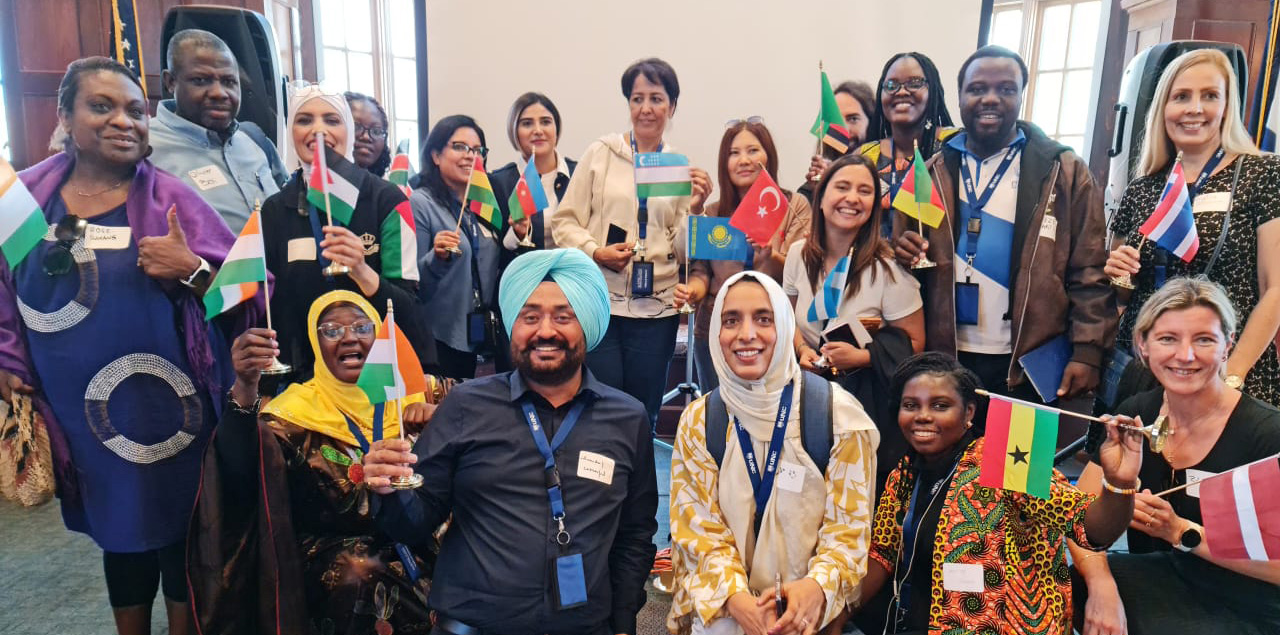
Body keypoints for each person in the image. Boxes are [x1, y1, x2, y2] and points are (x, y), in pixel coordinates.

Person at [0, 56, 257, 635]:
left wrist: (191, 269)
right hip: (78, 412)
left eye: (136, 111)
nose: (125, 121)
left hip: (172, 408)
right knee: (120, 532)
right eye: (102, 106)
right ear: (65, 115)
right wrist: (8, 360)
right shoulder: (28, 201)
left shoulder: (172, 200)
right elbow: (3, 286)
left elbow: (245, 295)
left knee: (180, 531)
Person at [364, 248, 658, 635]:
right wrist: (389, 487)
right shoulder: (466, 404)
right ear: (511, 326)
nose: (546, 331)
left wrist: (623, 624)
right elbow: (413, 522)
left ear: (587, 324)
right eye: (529, 316)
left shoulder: (627, 418)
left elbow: (634, 535)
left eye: (564, 316)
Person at [189, 290, 450, 634]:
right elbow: (238, 473)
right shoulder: (292, 415)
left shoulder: (418, 392)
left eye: (361, 327)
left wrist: (443, 419)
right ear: (315, 341)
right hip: (339, 547)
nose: (348, 338)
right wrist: (246, 386)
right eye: (331, 331)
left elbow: (485, 418)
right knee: (362, 576)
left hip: (421, 532)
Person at [849, 352, 1141, 635]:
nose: (923, 416)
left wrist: (1120, 484)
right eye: (911, 405)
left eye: (940, 405)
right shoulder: (904, 474)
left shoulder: (1007, 457)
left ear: (969, 412)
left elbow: (1090, 528)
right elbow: (883, 553)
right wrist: (836, 615)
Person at [895, 45, 1115, 406]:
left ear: (1021, 95)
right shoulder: (930, 172)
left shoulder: (1063, 171)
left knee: (1015, 462)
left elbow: (1089, 268)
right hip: (946, 360)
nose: (990, 99)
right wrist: (900, 252)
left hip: (1029, 364)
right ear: (960, 95)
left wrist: (1087, 352)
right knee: (952, 463)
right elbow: (899, 256)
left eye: (1006, 89)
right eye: (978, 89)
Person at [667, 271, 879, 635]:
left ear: (784, 326)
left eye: (763, 319)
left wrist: (813, 591)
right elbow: (697, 528)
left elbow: (848, 531)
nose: (746, 334)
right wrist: (740, 603)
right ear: (716, 333)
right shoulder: (700, 420)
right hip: (726, 605)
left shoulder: (838, 417)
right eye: (731, 320)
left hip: (807, 609)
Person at [1069, 277, 1280, 635]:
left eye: (1204, 340)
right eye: (1168, 339)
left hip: (1250, 602)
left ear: (1227, 346)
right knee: (1072, 585)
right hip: (1162, 577)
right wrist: (1102, 587)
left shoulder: (1266, 433)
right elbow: (1078, 515)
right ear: (1143, 345)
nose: (1185, 355)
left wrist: (1181, 531)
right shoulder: (1137, 412)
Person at [1103, 48, 1280, 405]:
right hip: (1145, 370)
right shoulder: (1142, 188)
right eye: (1181, 96)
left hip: (1228, 368)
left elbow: (1275, 289)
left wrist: (1231, 375)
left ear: (1227, 106)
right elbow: (1122, 296)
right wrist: (1117, 277)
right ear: (1163, 109)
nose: (1194, 109)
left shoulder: (1263, 174)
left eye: (1210, 96)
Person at [552, 57, 711, 426]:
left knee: (642, 411)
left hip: (655, 308)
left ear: (672, 106)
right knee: (598, 405)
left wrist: (696, 208)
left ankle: (637, 483)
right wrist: (596, 251)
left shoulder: (675, 165)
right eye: (637, 98)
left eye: (656, 98)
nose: (646, 108)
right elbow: (565, 222)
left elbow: (685, 251)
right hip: (601, 300)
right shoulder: (601, 154)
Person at [260, 84, 431, 386]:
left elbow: (409, 310)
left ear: (348, 130)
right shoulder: (274, 210)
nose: (318, 130)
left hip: (377, 380)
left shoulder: (389, 201)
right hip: (303, 385)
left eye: (331, 119)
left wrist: (363, 272)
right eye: (304, 120)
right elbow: (272, 310)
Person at [784, 153, 923, 492]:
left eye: (864, 191)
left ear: (874, 205)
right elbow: (787, 319)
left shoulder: (888, 268)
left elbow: (917, 344)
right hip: (808, 391)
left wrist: (861, 358)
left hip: (864, 402)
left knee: (853, 492)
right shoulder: (798, 254)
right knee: (802, 487)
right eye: (842, 187)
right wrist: (801, 348)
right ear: (821, 198)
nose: (851, 198)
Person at [674, 119, 811, 392]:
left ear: (768, 157)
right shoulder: (713, 212)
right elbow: (702, 273)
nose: (744, 160)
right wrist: (691, 292)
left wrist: (769, 256)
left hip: (770, 326)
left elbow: (803, 273)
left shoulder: (793, 205)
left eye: (753, 151)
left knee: (770, 412)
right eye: (734, 153)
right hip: (716, 325)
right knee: (719, 413)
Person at [148, 29, 284, 234]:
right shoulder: (144, 149)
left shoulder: (255, 140)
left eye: (229, 82)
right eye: (201, 80)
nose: (219, 93)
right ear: (170, 82)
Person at [410, 114, 504, 379]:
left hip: (481, 333)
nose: (469, 156)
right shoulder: (421, 203)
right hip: (440, 335)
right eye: (459, 147)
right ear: (436, 155)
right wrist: (436, 258)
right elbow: (412, 283)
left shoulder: (483, 205)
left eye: (477, 150)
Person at [490, 92, 578, 254]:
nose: (538, 130)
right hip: (524, 275)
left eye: (545, 122)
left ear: (556, 129)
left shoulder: (579, 174)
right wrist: (518, 233)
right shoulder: (498, 182)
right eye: (527, 124)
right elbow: (494, 251)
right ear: (514, 131)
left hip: (575, 275)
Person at [797, 80, 876, 202]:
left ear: (871, 122)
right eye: (836, 122)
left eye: (853, 119)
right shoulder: (809, 190)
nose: (844, 130)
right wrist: (822, 190)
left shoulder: (889, 181)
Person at [345, 91, 392, 177]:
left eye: (376, 131)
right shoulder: (318, 186)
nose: (366, 137)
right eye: (356, 127)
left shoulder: (384, 188)